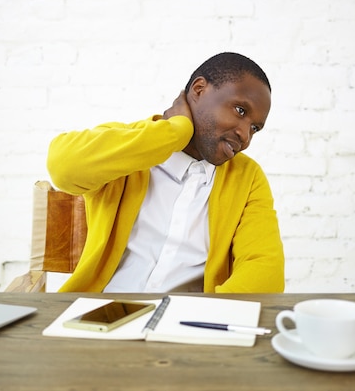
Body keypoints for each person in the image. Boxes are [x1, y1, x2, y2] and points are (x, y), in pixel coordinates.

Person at [46, 52, 284, 293]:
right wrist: (174, 132)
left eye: (255, 128)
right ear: (199, 89)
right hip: (102, 316)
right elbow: (62, 167)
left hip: (186, 323)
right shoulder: (130, 145)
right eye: (240, 111)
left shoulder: (247, 178)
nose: (245, 135)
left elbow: (265, 270)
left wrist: (206, 318)